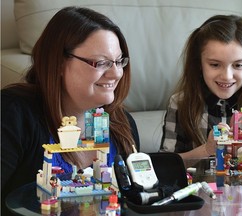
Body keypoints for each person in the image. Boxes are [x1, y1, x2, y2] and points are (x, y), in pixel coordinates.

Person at [1, 6, 139, 215]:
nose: (116, 73)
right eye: (101, 63)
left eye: (119, 61)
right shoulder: (13, 114)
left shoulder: (122, 123)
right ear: (58, 63)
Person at [160, 15, 242, 163]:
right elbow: (166, 164)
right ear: (199, 63)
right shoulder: (180, 102)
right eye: (215, 65)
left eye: (238, 65)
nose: (227, 76)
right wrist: (207, 150)